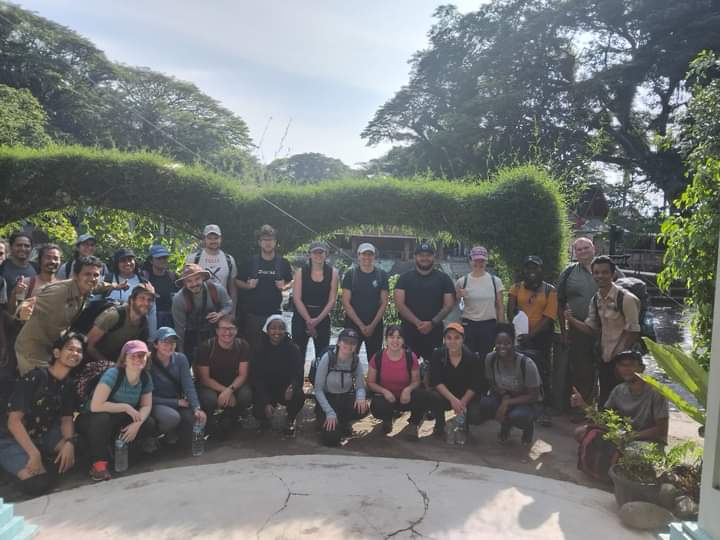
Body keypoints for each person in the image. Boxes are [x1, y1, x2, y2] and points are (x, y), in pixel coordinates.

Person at [0, 331, 83, 495]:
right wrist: (34, 454)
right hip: (11, 437)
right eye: (70, 349)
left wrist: (69, 442)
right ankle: (12, 468)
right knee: (36, 484)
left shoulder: (68, 384)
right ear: (57, 353)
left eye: (79, 351)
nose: (75, 353)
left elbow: (67, 418)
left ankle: (43, 462)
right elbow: (13, 422)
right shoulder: (35, 377)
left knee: (79, 450)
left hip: (42, 434)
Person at [564, 255, 641, 406]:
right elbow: (591, 329)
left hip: (624, 362)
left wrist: (622, 361)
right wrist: (571, 320)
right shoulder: (596, 299)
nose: (600, 276)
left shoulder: (626, 299)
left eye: (605, 272)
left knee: (625, 402)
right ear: (592, 275)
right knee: (605, 400)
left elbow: (633, 331)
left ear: (613, 274)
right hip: (605, 358)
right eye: (597, 272)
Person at [75, 340, 157, 481]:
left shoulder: (145, 377)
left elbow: (146, 406)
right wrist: (126, 407)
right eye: (133, 356)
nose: (137, 359)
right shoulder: (113, 374)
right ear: (124, 359)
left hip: (118, 418)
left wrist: (137, 424)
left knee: (148, 423)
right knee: (102, 418)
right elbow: (96, 406)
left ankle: (118, 453)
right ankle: (98, 465)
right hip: (92, 419)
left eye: (141, 355)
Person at [558, 238, 622, 415]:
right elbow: (559, 302)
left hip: (608, 330)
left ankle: (606, 412)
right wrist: (563, 330)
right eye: (579, 249)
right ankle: (583, 409)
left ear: (594, 248)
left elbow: (626, 293)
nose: (583, 251)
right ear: (575, 253)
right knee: (582, 370)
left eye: (586, 247)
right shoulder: (569, 272)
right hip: (579, 329)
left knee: (608, 370)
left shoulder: (608, 268)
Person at [15, 256, 103, 375]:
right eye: (87, 274)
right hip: (32, 350)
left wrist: (115, 286)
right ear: (75, 276)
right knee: (36, 385)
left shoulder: (86, 287)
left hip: (51, 349)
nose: (92, 278)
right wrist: (22, 312)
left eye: (96, 275)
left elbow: (100, 285)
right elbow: (29, 303)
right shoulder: (59, 292)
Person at [507, 255, 557, 425]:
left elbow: (548, 317)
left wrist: (531, 335)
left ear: (541, 269)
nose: (531, 271)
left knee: (542, 371)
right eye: (528, 267)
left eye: (535, 267)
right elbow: (510, 310)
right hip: (520, 336)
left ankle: (544, 408)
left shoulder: (550, 290)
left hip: (541, 337)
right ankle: (520, 404)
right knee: (520, 370)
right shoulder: (516, 288)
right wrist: (517, 331)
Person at [476, 323, 542, 445]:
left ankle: (528, 427)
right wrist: (504, 396)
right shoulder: (490, 359)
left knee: (519, 416)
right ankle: (505, 424)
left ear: (513, 343)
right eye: (499, 343)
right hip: (503, 395)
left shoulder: (526, 364)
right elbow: (492, 383)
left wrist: (507, 402)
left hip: (525, 401)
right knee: (485, 404)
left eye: (507, 343)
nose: (502, 347)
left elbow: (533, 396)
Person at [394, 242, 455, 367]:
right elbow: (399, 304)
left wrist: (432, 323)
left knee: (435, 368)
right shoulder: (404, 278)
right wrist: (417, 323)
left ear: (433, 257)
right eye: (421, 255)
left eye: (428, 255)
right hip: (409, 330)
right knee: (407, 367)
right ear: (415, 257)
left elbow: (449, 304)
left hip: (435, 331)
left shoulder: (444, 279)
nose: (424, 258)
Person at [194, 315, 252, 438]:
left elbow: (243, 375)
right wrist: (225, 391)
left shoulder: (242, 345)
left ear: (236, 330)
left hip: (233, 384)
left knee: (246, 395)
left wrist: (230, 390)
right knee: (209, 399)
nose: (227, 332)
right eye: (223, 328)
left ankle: (233, 416)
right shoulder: (206, 347)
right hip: (211, 385)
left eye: (231, 328)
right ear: (217, 331)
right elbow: (204, 379)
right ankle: (210, 420)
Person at [235, 225, 293, 347]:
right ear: (259, 242)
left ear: (275, 242)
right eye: (264, 240)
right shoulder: (251, 262)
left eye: (270, 239)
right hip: (253, 315)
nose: (268, 243)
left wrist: (284, 287)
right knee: (252, 348)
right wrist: (248, 286)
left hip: (274, 314)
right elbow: (237, 281)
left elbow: (291, 281)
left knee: (274, 349)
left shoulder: (283, 263)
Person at [426, 323, 483, 443]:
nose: (453, 341)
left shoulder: (472, 357)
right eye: (449, 338)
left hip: (465, 396)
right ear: (444, 340)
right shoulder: (438, 354)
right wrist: (453, 400)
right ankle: (440, 425)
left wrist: (462, 402)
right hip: (446, 396)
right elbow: (436, 381)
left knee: (475, 415)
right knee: (433, 396)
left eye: (457, 338)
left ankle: (465, 425)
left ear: (463, 339)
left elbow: (475, 384)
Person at [149, 327, 206, 446]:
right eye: (165, 342)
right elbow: (147, 398)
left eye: (172, 342)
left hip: (177, 401)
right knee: (172, 417)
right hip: (156, 403)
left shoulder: (181, 358)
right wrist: (176, 402)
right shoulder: (148, 363)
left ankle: (175, 435)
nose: (169, 346)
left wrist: (197, 408)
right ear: (155, 344)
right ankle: (150, 437)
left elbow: (188, 385)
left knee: (194, 418)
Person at [366, 325, 425, 439]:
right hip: (387, 398)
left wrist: (408, 389)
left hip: (405, 398)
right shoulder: (378, 357)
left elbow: (416, 381)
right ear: (386, 339)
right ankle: (387, 419)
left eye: (399, 337)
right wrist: (384, 391)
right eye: (391, 337)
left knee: (422, 395)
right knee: (378, 406)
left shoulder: (410, 356)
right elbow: (370, 382)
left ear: (403, 340)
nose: (395, 341)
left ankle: (414, 424)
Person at [313, 328, 368, 446]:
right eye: (345, 341)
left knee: (363, 408)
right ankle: (326, 421)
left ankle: (344, 421)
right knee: (331, 438)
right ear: (338, 342)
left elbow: (360, 386)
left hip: (345, 398)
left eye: (353, 343)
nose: (349, 345)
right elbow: (318, 390)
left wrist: (360, 397)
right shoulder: (328, 358)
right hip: (328, 399)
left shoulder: (355, 360)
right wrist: (329, 412)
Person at [252, 315, 305, 437]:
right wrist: (265, 401)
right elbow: (256, 377)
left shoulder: (293, 348)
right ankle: (265, 418)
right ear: (267, 330)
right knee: (258, 409)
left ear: (285, 330)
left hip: (285, 390)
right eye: (273, 328)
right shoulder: (259, 349)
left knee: (298, 395)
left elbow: (298, 373)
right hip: (267, 389)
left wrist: (292, 386)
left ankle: (290, 418)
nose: (277, 332)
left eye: (281, 328)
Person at [171, 263, 233, 361]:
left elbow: (228, 305)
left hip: (215, 332)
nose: (194, 284)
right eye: (189, 281)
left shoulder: (216, 289)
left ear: (203, 278)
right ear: (184, 283)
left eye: (197, 279)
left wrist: (219, 314)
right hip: (191, 335)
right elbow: (179, 329)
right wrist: (181, 354)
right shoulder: (179, 299)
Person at [85, 282, 156, 365]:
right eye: (142, 298)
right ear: (131, 300)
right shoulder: (113, 316)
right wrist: (110, 365)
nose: (146, 303)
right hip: (92, 361)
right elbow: (88, 345)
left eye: (149, 300)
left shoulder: (143, 323)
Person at [291, 241, 338, 363]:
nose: (318, 255)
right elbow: (297, 298)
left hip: (322, 316)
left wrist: (317, 320)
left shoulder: (333, 273)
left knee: (322, 357)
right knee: (297, 356)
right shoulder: (300, 272)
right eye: (315, 252)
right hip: (301, 316)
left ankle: (319, 376)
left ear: (326, 254)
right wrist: (309, 320)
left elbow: (332, 300)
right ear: (310, 255)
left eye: (321, 252)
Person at [455, 246, 505, 361]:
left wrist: (501, 327)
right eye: (476, 260)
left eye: (482, 261)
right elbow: (453, 304)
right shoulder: (462, 281)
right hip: (469, 324)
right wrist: (458, 296)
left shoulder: (495, 281)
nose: (478, 263)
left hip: (489, 325)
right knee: (468, 357)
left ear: (486, 262)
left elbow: (500, 306)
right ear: (470, 261)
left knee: (486, 357)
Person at [342, 243, 389, 363]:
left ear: (374, 256)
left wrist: (372, 325)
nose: (367, 257)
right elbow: (346, 303)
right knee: (348, 359)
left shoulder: (382, 275)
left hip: (375, 325)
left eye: (370, 254)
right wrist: (361, 325)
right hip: (353, 324)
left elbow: (384, 302)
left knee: (375, 362)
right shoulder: (350, 275)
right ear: (358, 256)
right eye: (364, 254)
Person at [105, 248, 157, 339]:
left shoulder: (144, 282)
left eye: (130, 260)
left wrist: (152, 338)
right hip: (109, 331)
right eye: (123, 261)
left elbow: (152, 312)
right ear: (117, 263)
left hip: (137, 333)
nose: (128, 263)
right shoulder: (107, 280)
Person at [186, 224, 238, 306]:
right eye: (209, 238)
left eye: (216, 238)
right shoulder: (193, 259)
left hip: (222, 306)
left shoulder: (229, 260)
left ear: (221, 239)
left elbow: (232, 287)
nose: (213, 241)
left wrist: (232, 309)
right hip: (198, 307)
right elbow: (185, 285)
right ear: (204, 239)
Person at [7, 243, 61, 314]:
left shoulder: (63, 286)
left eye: (56, 258)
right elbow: (12, 311)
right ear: (40, 260)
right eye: (48, 258)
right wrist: (14, 294)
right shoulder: (26, 283)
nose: (52, 261)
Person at [141, 244, 178, 329]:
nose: (162, 260)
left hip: (170, 319)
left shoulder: (173, 276)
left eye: (165, 257)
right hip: (149, 319)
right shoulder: (145, 277)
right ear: (151, 261)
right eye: (159, 258)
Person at [0, 231, 37, 301]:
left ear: (31, 248)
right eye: (19, 245)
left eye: (27, 246)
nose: (23, 248)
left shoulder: (37, 268)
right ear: (10, 247)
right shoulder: (2, 266)